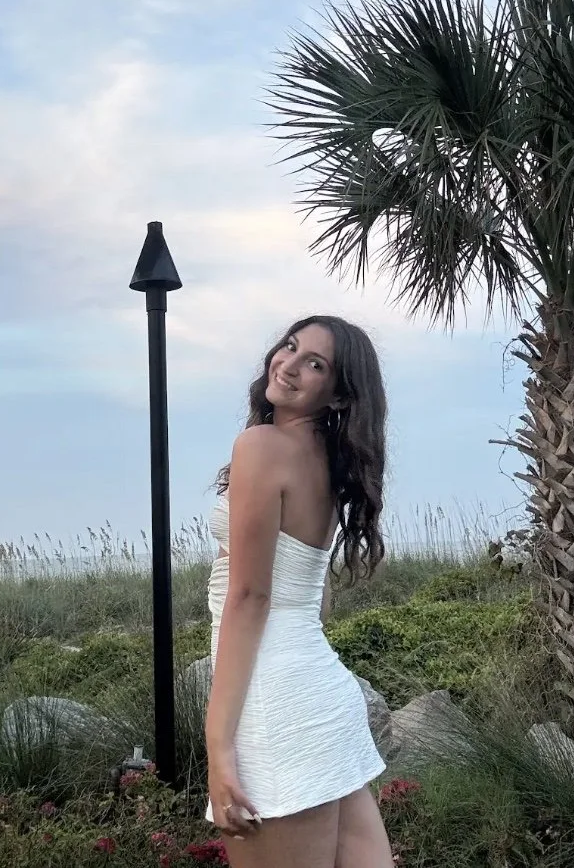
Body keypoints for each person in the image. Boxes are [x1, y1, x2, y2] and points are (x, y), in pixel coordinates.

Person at [204, 315, 394, 868]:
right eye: (289, 347)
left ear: (337, 395)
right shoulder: (326, 465)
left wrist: (219, 748)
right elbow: (302, 590)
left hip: (274, 707)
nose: (288, 363)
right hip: (321, 698)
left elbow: (249, 599)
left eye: (315, 363)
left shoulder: (261, 445)